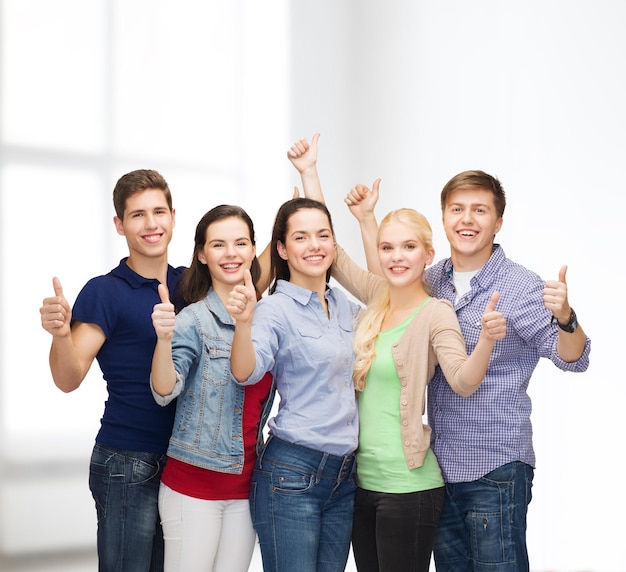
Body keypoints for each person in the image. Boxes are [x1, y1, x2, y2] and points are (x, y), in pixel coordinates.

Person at [345, 171, 591, 571]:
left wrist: (566, 317)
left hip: (496, 469)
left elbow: (573, 358)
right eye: (457, 209)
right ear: (443, 219)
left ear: (498, 222)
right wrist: (367, 220)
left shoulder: (520, 286)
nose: (467, 219)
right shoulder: (432, 279)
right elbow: (385, 287)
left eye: (480, 210)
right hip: (441, 469)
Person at [288, 135, 506, 572]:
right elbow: (333, 253)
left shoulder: (435, 313)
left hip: (410, 486)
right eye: (387, 248)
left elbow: (463, 381)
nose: (396, 256)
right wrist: (310, 174)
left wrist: (485, 340)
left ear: (429, 254)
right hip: (359, 483)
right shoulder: (377, 298)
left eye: (408, 247)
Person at [39, 169, 184, 572]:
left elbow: (250, 271)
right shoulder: (106, 291)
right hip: (127, 461)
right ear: (119, 225)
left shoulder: (191, 284)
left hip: (186, 463)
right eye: (137, 215)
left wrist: (307, 180)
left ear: (174, 216)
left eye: (159, 211)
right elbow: (68, 378)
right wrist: (59, 334)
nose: (151, 224)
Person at [226, 195, 360, 572]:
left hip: (344, 475)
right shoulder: (273, 309)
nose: (314, 246)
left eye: (323, 235)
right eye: (301, 238)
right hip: (292, 473)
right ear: (281, 248)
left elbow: (392, 308)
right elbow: (245, 372)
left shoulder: (346, 306)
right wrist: (242, 323)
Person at [149, 205, 275, 572]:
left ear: (254, 250)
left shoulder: (265, 320)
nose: (231, 253)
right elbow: (163, 390)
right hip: (193, 485)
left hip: (246, 486)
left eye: (240, 243)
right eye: (218, 245)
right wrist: (163, 339)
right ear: (202, 255)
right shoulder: (194, 319)